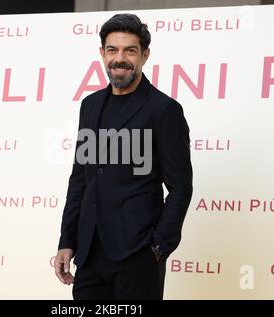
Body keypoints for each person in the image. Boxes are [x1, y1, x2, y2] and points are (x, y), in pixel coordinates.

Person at [54, 13, 193, 300]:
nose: (120, 58)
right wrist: (67, 241)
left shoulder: (163, 109)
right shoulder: (90, 105)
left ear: (145, 55)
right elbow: (80, 178)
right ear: (102, 54)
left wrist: (158, 247)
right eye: (112, 50)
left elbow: (181, 186)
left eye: (130, 50)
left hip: (137, 255)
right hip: (90, 252)